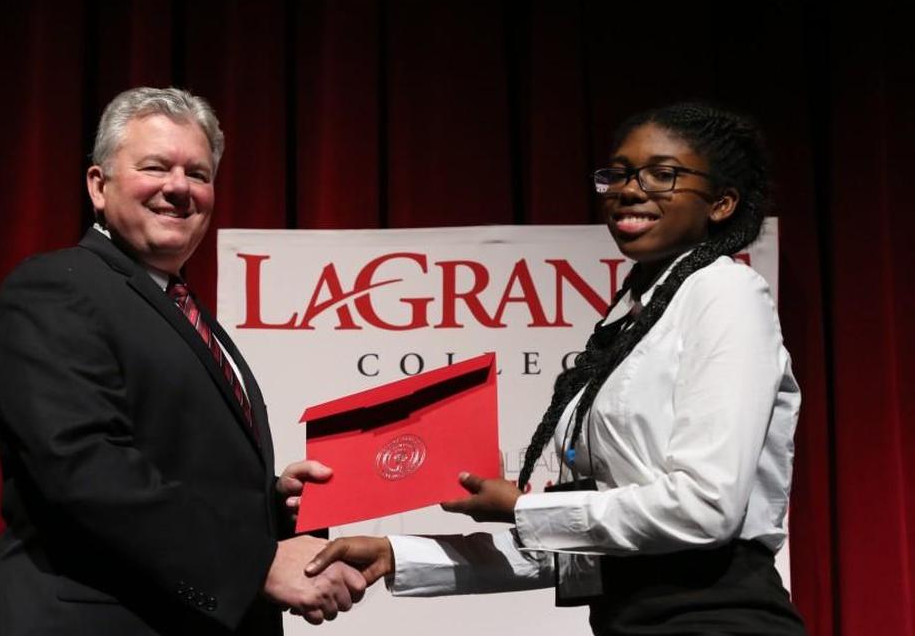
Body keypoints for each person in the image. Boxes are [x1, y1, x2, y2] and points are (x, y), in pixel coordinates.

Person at [306, 102, 807, 635]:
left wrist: (523, 509)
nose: (629, 190)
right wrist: (397, 554)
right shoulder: (631, 320)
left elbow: (706, 506)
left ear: (722, 203)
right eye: (617, 173)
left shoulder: (723, 290)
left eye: (663, 175)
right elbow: (573, 539)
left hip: (717, 619)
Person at [0, 87, 365, 636]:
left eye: (198, 173)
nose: (178, 188)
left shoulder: (185, 311)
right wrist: (255, 564)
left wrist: (271, 505)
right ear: (99, 187)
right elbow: (82, 469)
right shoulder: (56, 287)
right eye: (156, 167)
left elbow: (170, 462)